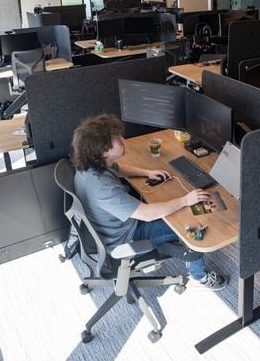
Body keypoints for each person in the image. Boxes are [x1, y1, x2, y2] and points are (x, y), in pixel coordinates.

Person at [71, 114, 228, 291]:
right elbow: (147, 214)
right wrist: (185, 200)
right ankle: (199, 276)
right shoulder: (102, 187)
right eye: (117, 139)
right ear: (104, 150)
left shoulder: (90, 165)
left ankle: (171, 246)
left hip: (108, 228)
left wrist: (146, 172)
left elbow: (118, 168)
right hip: (126, 237)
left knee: (173, 207)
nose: (123, 140)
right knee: (191, 221)